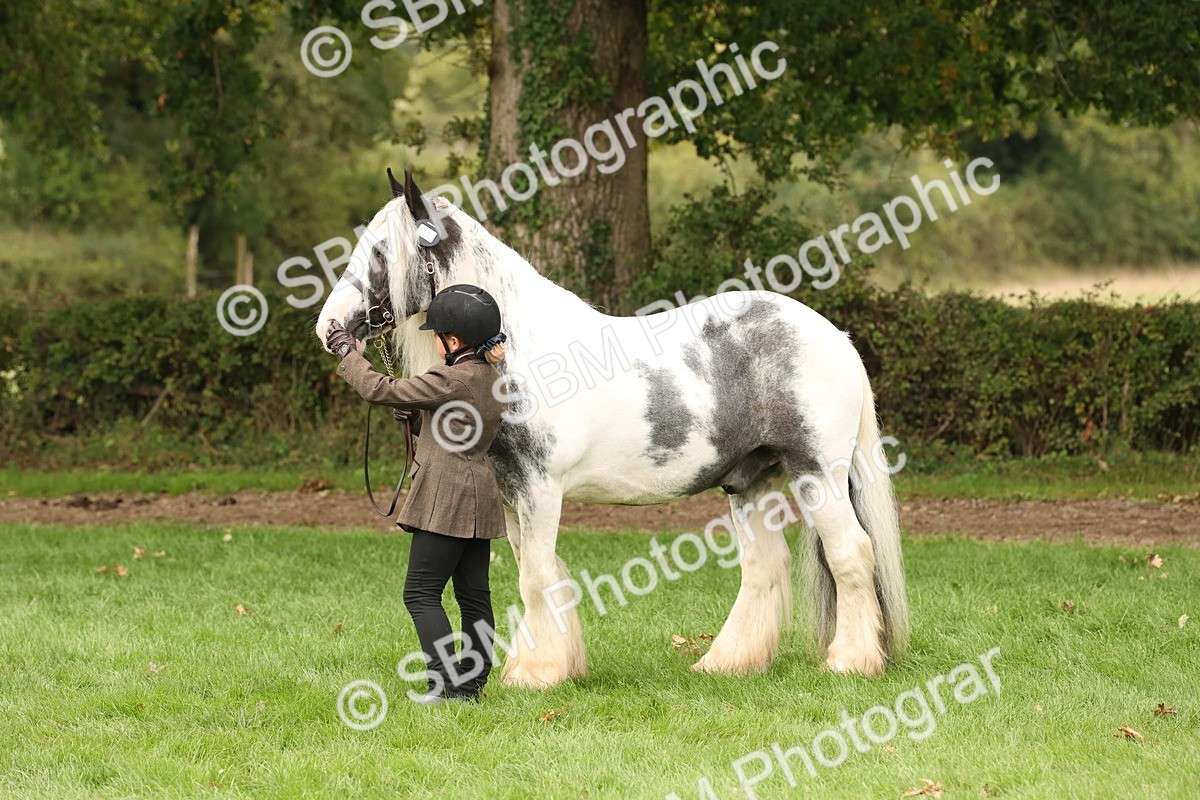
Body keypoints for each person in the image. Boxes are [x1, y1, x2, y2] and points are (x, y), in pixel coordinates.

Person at [325, 284, 508, 705]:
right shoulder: (491, 379)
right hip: (479, 494)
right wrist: (423, 414)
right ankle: (472, 686)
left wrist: (346, 353)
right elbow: (459, 427)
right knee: (474, 597)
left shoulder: (450, 377)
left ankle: (444, 686)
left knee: (421, 593)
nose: (435, 342)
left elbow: (379, 389)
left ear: (455, 340)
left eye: (438, 335)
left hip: (446, 498)